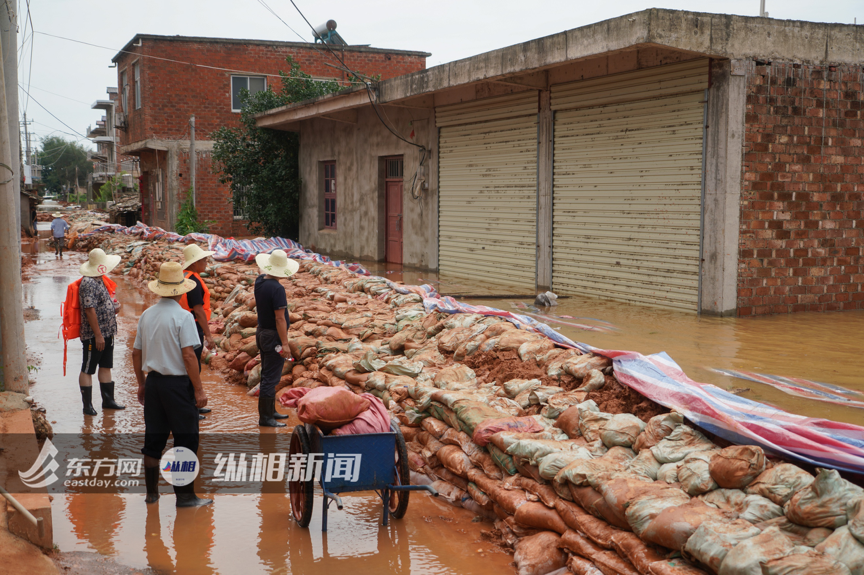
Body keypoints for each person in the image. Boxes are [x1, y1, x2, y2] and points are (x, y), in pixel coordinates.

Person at [133, 261, 212, 507]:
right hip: (178, 387)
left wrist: (142, 384)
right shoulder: (183, 317)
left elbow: (136, 353)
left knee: (153, 442)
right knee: (186, 440)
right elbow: (189, 356)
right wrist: (198, 389)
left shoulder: (147, 314)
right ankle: (185, 497)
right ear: (180, 290)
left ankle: (152, 493)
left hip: (155, 384)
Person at [253, 249, 298, 427]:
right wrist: (285, 343)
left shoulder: (260, 282)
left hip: (262, 333)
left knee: (267, 373)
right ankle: (265, 418)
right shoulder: (277, 289)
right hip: (273, 337)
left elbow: (260, 272)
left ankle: (270, 411)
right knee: (271, 377)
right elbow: (280, 318)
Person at [79, 248, 125, 415]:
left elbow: (101, 304)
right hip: (94, 335)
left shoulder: (100, 280)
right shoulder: (88, 282)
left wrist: (114, 308)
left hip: (108, 333)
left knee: (106, 366)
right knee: (88, 368)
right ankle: (87, 406)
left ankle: (108, 400)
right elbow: (89, 310)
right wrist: (98, 335)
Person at [179, 244, 216, 420]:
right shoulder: (193, 282)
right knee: (192, 367)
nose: (206, 263)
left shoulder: (185, 276)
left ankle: (194, 403)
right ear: (195, 263)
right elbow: (199, 310)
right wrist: (208, 335)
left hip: (184, 325)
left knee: (192, 367)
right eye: (204, 260)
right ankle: (191, 408)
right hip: (193, 326)